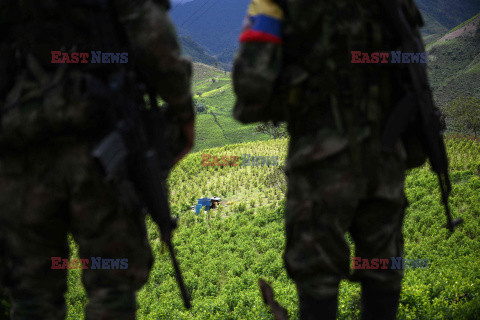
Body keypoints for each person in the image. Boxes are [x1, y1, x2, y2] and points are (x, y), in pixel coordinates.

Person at [233, 0, 431, 319]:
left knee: (318, 276)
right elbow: (416, 75)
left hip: (319, 165)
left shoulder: (273, 3)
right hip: (386, 157)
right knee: (382, 270)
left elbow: (251, 86)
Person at [0, 0, 194, 318]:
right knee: (112, 286)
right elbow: (152, 35)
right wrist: (183, 109)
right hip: (97, 146)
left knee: (31, 294)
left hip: (17, 152)